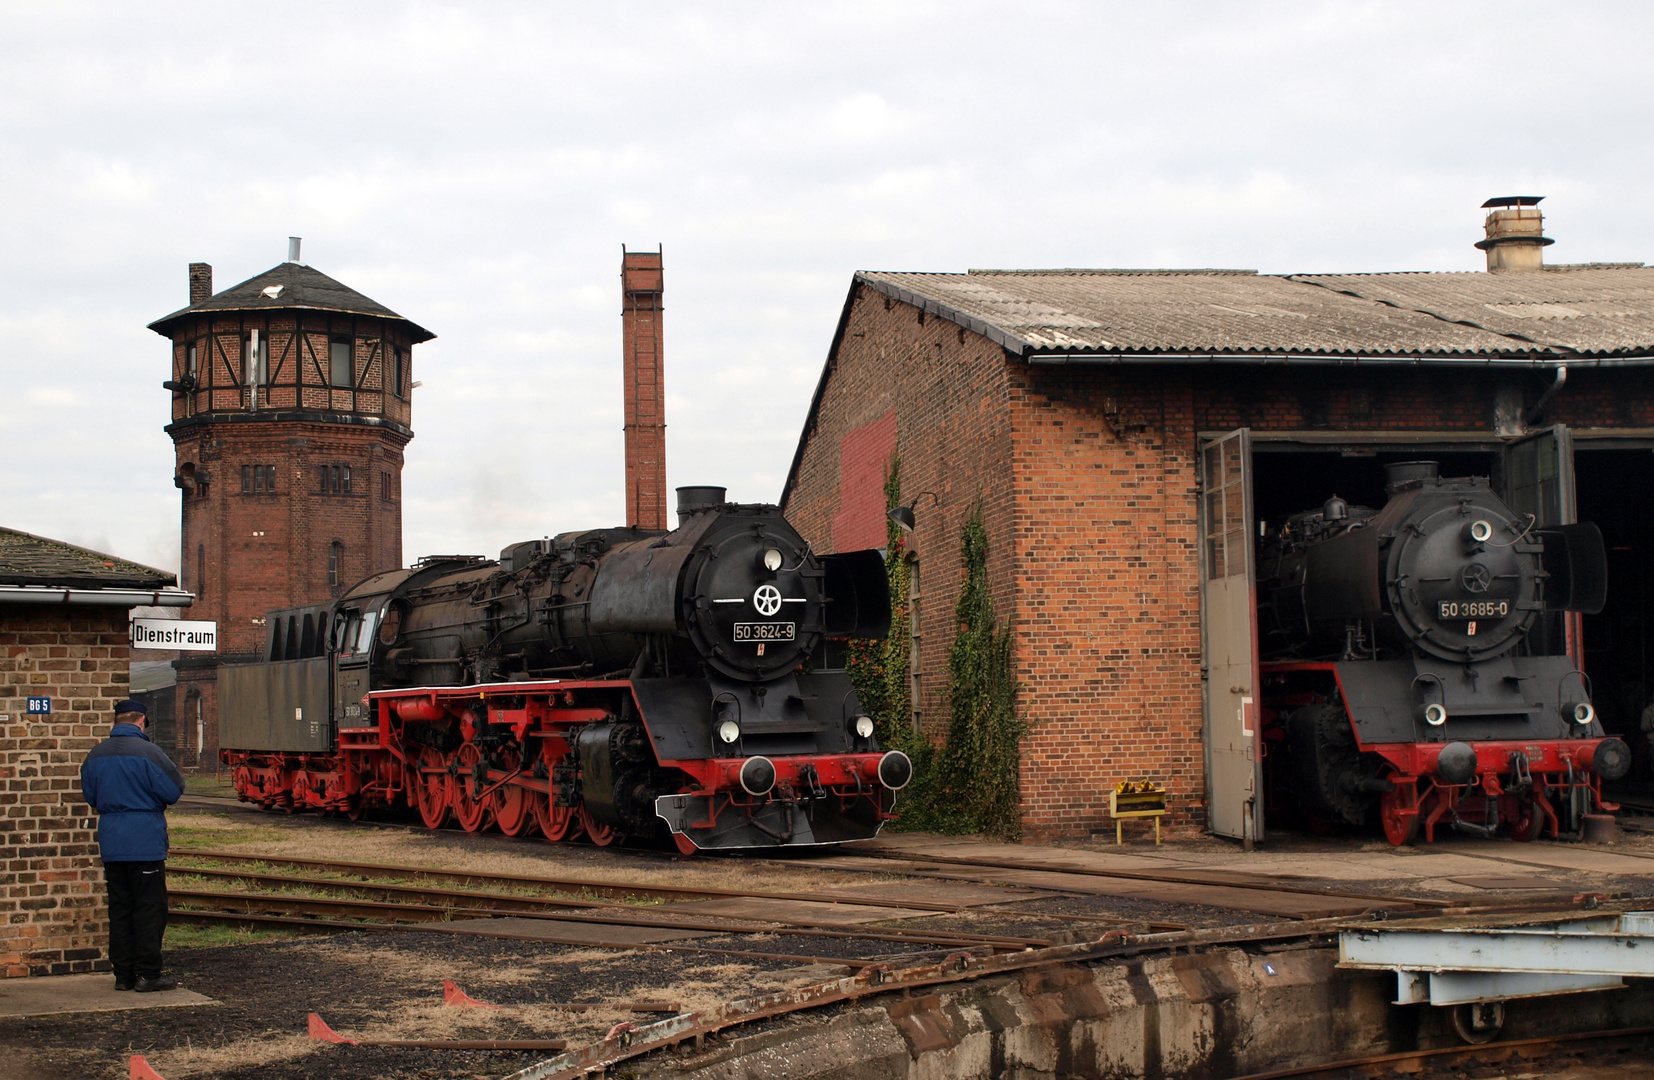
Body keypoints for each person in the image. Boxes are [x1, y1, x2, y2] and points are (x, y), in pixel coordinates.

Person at [80, 699, 185, 992]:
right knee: (149, 909)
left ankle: (123, 975)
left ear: (116, 721)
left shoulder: (95, 755)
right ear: (142, 721)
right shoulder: (150, 753)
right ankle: (148, 974)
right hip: (145, 841)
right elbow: (174, 789)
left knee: (120, 908)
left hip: (112, 842)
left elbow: (91, 794)